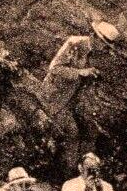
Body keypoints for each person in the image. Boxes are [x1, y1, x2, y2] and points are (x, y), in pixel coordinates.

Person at [39, 34, 99, 171]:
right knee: (68, 132)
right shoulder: (75, 43)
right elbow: (55, 68)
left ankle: (68, 169)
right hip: (51, 98)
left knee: (74, 133)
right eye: (103, 43)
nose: (104, 48)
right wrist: (80, 72)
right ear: (95, 37)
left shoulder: (93, 51)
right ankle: (66, 171)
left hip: (67, 101)